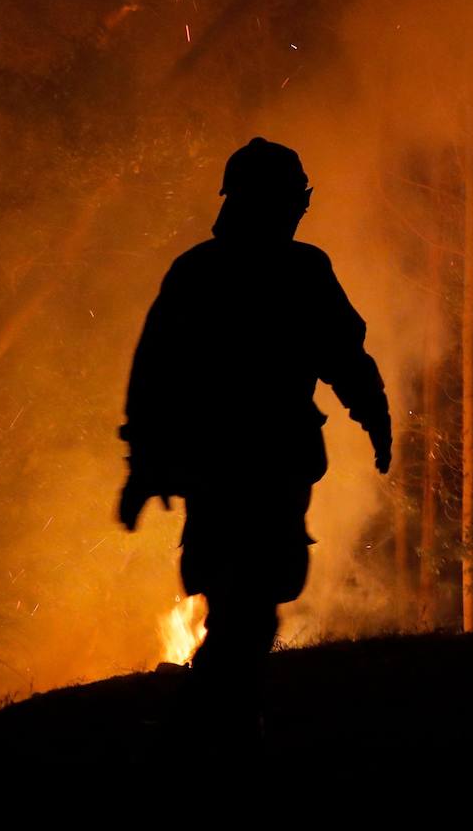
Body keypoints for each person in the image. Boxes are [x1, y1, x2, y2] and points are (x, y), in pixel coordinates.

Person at [117, 137, 392, 740]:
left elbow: (152, 374)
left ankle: (217, 721)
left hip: (223, 470)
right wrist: (374, 414)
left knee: (240, 600)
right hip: (262, 468)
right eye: (294, 198)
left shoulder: (202, 271)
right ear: (278, 201)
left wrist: (145, 465)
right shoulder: (297, 271)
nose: (299, 208)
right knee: (249, 603)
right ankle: (212, 723)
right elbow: (344, 357)